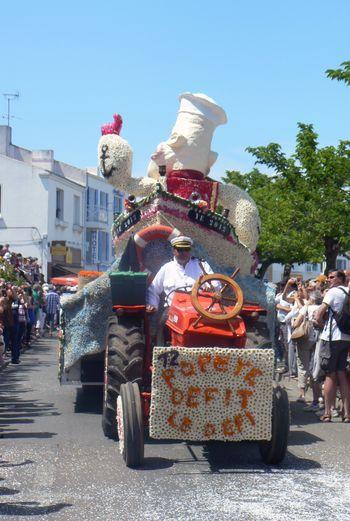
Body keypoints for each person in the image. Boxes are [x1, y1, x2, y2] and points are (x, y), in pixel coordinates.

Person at [147, 235, 215, 342]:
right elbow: (153, 289)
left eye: (186, 249)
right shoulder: (166, 268)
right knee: (161, 327)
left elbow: (216, 283)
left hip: (200, 309)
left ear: (190, 250)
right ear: (174, 251)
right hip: (172, 310)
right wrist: (153, 305)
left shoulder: (202, 265)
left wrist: (210, 288)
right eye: (180, 250)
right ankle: (160, 353)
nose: (183, 253)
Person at [315, 270, 350, 423]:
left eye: (331, 277)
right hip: (346, 337)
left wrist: (321, 324)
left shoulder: (333, 292)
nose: (328, 280)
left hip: (332, 337)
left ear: (340, 279)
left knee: (330, 373)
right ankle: (347, 414)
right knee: (342, 374)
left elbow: (318, 314)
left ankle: (328, 412)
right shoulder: (348, 292)